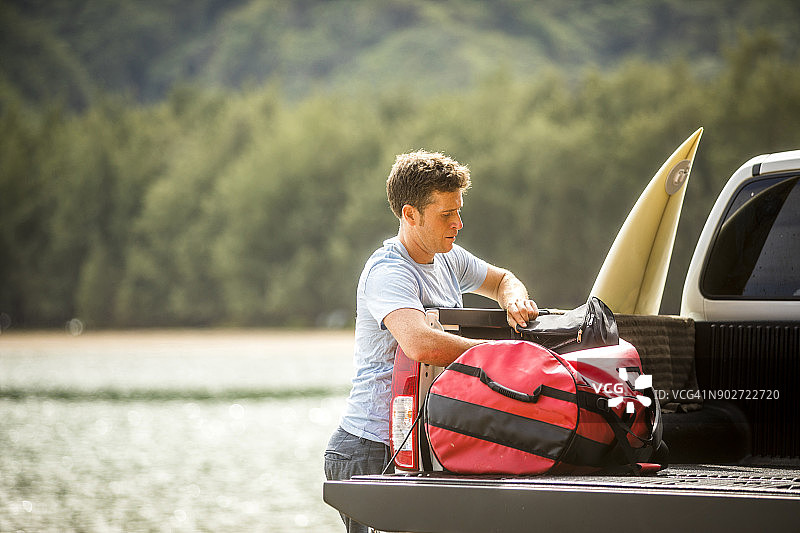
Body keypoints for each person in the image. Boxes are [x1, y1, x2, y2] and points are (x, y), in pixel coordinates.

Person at [324, 150, 538, 533]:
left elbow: (503, 280)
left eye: (459, 211)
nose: (458, 223)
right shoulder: (388, 271)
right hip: (371, 448)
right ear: (410, 214)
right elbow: (420, 344)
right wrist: (499, 355)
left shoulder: (448, 257)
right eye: (446, 214)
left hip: (424, 441)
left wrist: (514, 301)